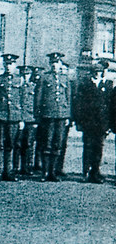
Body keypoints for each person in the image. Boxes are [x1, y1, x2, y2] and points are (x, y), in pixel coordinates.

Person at [35, 51, 72, 181]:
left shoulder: (65, 79)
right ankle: (45, 172)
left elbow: (68, 98)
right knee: (47, 143)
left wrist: (68, 116)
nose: (55, 65)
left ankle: (53, 172)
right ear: (50, 64)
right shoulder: (44, 78)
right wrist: (38, 115)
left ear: (61, 64)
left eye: (57, 63)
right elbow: (38, 98)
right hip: (48, 115)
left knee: (58, 144)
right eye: (52, 63)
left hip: (61, 115)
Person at [72, 60, 110, 184]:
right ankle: (86, 172)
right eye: (95, 71)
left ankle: (95, 172)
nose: (97, 74)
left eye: (99, 71)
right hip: (88, 122)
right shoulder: (85, 85)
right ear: (91, 72)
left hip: (101, 123)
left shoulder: (107, 85)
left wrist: (108, 124)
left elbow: (109, 106)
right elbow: (79, 105)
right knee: (87, 147)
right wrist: (79, 121)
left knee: (98, 148)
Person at [0, 53, 25, 181]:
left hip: (14, 117)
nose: (8, 66)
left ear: (15, 65)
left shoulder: (19, 80)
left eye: (11, 64)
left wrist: (22, 119)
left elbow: (23, 100)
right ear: (3, 65)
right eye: (6, 64)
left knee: (10, 144)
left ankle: (8, 171)